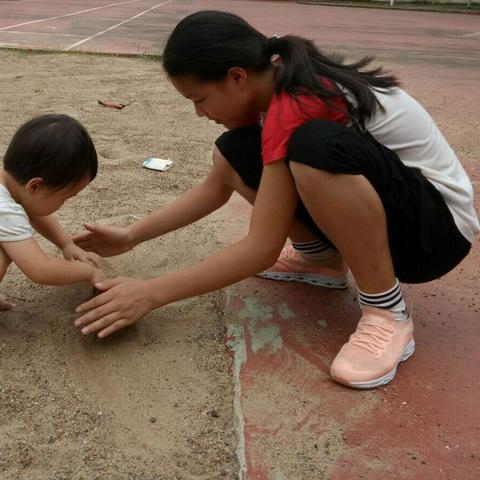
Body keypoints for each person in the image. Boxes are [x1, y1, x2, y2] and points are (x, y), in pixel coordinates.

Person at [73, 11, 479, 389]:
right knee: (234, 151)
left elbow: (260, 248)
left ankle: (386, 313)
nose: (199, 113)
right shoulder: (274, 76)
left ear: (236, 77)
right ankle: (320, 259)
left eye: (199, 99)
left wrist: (152, 293)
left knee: (314, 149)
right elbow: (217, 186)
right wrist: (130, 236)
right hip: (401, 215)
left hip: (436, 233)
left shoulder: (301, 102)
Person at [0, 114, 104, 310]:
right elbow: (41, 270)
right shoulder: (5, 211)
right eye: (64, 197)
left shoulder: (9, 186)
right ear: (35, 186)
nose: (64, 203)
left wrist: (65, 243)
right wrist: (87, 273)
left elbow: (33, 211)